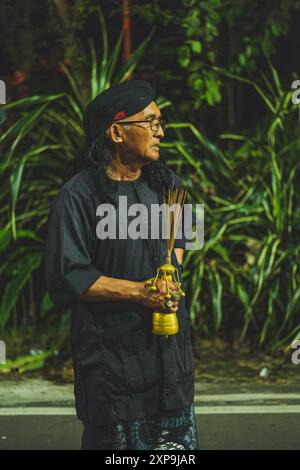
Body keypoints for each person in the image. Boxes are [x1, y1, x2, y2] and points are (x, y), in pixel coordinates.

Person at [45, 80, 198, 450]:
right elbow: (69, 275)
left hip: (170, 358)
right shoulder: (78, 195)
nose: (160, 132)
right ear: (116, 131)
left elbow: (184, 242)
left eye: (160, 122)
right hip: (113, 364)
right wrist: (140, 292)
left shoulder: (169, 185)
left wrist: (169, 276)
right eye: (150, 122)